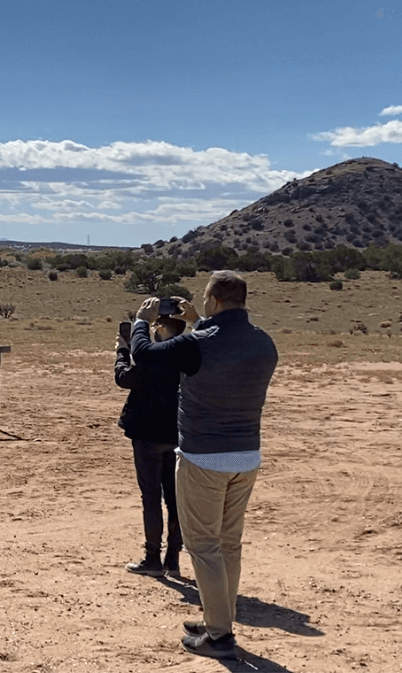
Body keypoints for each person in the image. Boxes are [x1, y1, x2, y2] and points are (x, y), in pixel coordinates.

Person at [131, 271, 278, 660]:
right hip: (247, 456)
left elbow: (146, 355)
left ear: (212, 299)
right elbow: (222, 353)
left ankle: (219, 636)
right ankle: (220, 619)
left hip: (203, 457)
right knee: (229, 544)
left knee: (205, 547)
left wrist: (141, 323)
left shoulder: (197, 343)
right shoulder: (264, 343)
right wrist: (198, 321)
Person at [114, 311, 187, 578]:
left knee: (152, 498)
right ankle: (173, 559)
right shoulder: (186, 355)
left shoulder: (151, 355)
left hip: (147, 434)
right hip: (176, 434)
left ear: (165, 328)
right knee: (175, 499)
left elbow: (124, 379)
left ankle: (152, 557)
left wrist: (122, 353)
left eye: (157, 325)